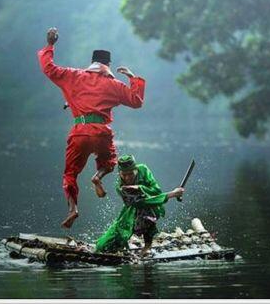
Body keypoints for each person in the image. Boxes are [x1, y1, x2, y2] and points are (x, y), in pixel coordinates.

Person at [38, 27, 146, 229]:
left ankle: (72, 209)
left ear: (92, 63)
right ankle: (98, 176)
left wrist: (50, 45)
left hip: (79, 132)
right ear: (108, 65)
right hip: (101, 132)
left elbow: (48, 68)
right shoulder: (113, 85)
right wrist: (132, 78)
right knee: (110, 162)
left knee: (70, 174)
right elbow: (136, 101)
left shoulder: (74, 76)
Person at [95, 155, 184, 256]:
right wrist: (172, 194)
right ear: (120, 173)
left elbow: (156, 191)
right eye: (124, 175)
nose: (127, 178)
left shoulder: (143, 170)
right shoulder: (120, 186)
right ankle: (121, 246)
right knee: (102, 246)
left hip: (153, 205)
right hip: (130, 211)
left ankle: (147, 245)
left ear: (136, 170)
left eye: (130, 174)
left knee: (146, 213)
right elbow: (139, 202)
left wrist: (140, 188)